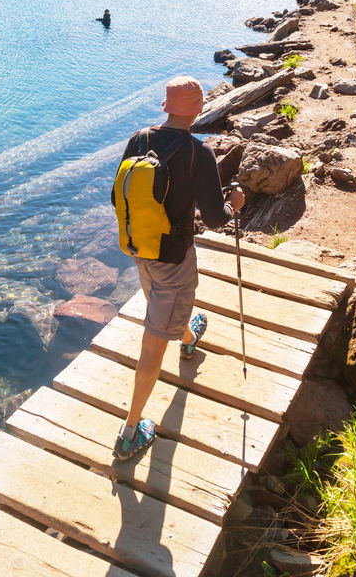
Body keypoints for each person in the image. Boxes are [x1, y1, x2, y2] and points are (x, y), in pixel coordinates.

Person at [110, 75, 245, 461]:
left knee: (163, 301)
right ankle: (130, 431)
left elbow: (115, 195)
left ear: (166, 106)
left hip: (140, 247)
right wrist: (235, 202)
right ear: (199, 109)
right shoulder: (197, 153)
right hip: (174, 256)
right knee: (153, 343)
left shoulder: (139, 139)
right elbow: (216, 219)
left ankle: (187, 337)